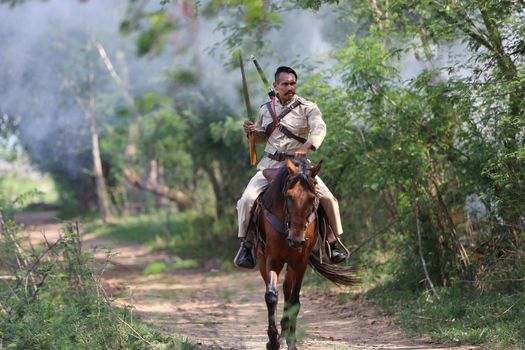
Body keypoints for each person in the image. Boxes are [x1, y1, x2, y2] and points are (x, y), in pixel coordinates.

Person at [234, 66, 347, 268]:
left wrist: (307, 146)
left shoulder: (308, 107)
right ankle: (247, 245)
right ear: (275, 86)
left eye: (292, 83)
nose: (290, 87)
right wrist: (251, 133)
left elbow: (319, 128)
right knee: (246, 200)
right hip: (270, 166)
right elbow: (262, 138)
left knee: (328, 199)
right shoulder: (265, 109)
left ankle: (332, 243)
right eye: (285, 84)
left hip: (299, 166)